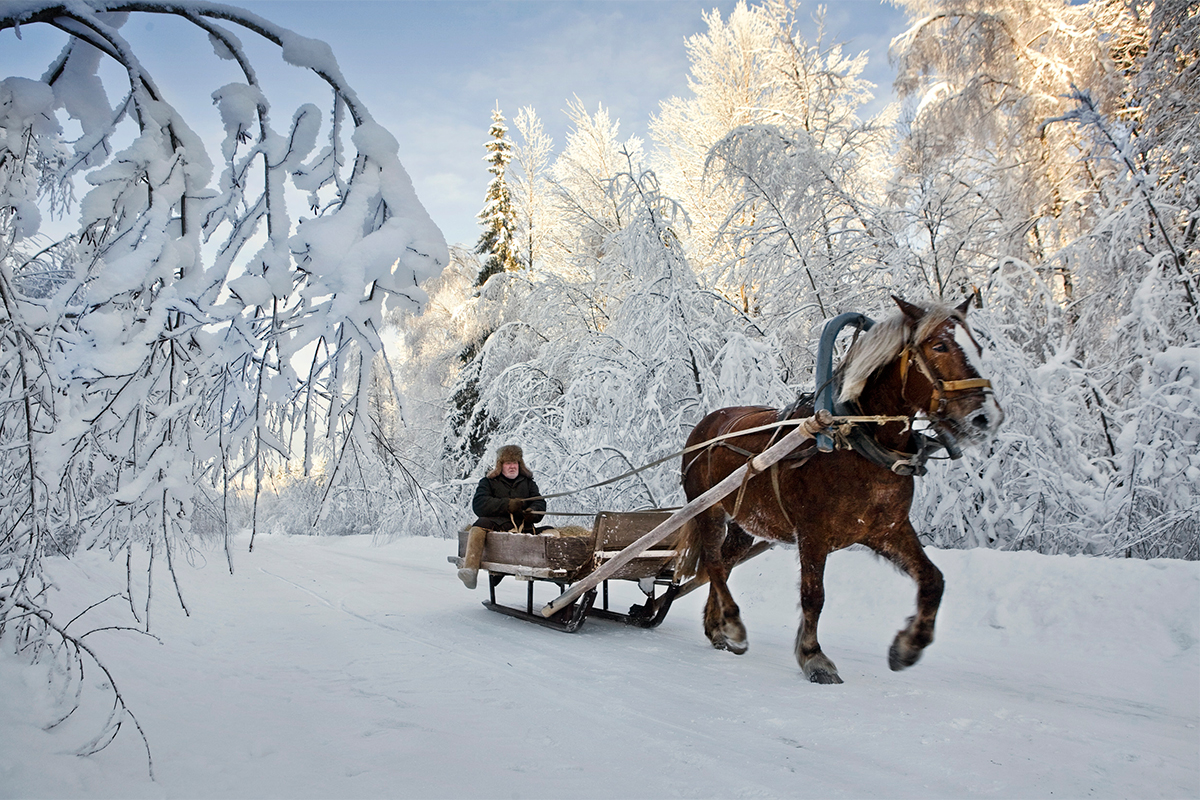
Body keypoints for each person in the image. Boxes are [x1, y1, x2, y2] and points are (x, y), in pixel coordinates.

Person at [458, 444, 547, 589]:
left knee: (550, 531)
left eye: (515, 463)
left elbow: (540, 503)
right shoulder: (488, 482)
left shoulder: (529, 484)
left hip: (522, 528)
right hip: (496, 525)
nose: (512, 466)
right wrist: (507, 505)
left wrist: (532, 512)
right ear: (501, 465)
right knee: (479, 525)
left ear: (520, 464)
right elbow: (479, 505)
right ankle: (470, 570)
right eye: (508, 463)